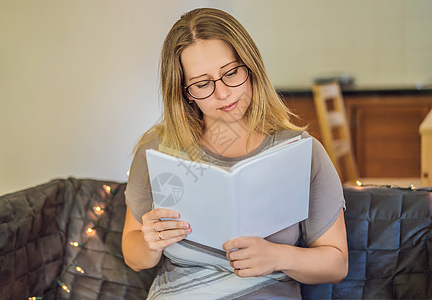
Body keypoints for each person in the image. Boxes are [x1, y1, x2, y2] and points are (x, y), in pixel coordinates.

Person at [122, 7, 348, 299]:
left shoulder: (303, 152)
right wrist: (149, 243)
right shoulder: (157, 149)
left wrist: (278, 256)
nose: (223, 93)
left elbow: (337, 264)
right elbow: (133, 255)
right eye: (202, 84)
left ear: (251, 67)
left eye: (231, 73)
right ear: (184, 92)